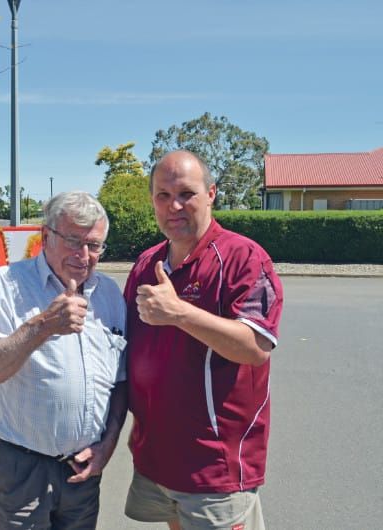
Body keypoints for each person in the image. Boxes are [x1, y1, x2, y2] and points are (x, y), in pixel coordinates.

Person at [123, 150, 284, 530]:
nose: (173, 206)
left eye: (186, 193)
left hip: (215, 468)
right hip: (157, 459)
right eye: (163, 195)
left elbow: (255, 346)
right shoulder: (147, 264)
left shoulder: (244, 258)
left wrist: (179, 313)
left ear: (211, 193)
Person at [0, 190, 128, 529]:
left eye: (94, 245)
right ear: (45, 237)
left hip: (81, 472)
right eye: (73, 241)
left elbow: (120, 383)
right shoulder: (6, 285)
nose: (84, 255)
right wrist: (43, 326)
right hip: (19, 471)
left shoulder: (109, 295)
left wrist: (108, 445)